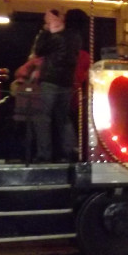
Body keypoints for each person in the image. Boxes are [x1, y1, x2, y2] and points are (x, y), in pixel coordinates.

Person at [21, 9, 81, 162]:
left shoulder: (55, 36)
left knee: (42, 117)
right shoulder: (75, 37)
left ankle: (44, 154)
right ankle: (68, 152)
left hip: (50, 79)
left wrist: (46, 31)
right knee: (63, 118)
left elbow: (39, 50)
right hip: (66, 81)